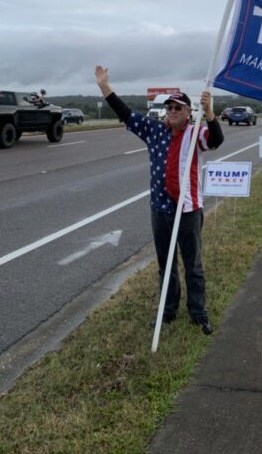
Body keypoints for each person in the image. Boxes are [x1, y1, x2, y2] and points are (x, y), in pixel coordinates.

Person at [95, 66, 224, 335]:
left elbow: (216, 140)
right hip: (160, 209)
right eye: (170, 107)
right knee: (166, 264)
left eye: (179, 107)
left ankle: (198, 312)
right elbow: (127, 115)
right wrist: (105, 88)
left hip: (187, 209)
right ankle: (168, 311)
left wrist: (210, 112)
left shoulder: (195, 134)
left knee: (193, 265)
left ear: (189, 113)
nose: (173, 111)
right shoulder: (155, 131)